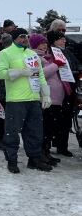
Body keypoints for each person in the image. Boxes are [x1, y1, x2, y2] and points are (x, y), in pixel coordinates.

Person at [0, 28, 53, 173]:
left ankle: (34, 159)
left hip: (33, 99)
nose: (24, 39)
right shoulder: (5, 53)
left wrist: (46, 95)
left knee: (35, 131)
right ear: (14, 38)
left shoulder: (32, 54)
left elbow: (40, 76)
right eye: (21, 36)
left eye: (26, 36)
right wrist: (20, 72)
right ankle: (12, 160)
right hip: (16, 100)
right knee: (12, 132)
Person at [30, 33, 66, 166]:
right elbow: (41, 74)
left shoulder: (49, 57)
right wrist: (56, 65)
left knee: (50, 128)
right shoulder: (35, 56)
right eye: (41, 42)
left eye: (45, 42)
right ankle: (40, 153)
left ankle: (46, 152)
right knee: (44, 128)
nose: (44, 45)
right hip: (45, 98)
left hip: (55, 98)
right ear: (35, 44)